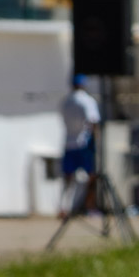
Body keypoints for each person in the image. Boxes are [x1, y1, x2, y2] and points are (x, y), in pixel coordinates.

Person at [59, 74, 100, 217]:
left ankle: (64, 207)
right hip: (83, 143)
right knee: (90, 176)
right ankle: (89, 207)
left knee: (68, 177)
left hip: (68, 142)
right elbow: (93, 121)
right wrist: (96, 143)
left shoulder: (66, 102)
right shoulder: (87, 101)